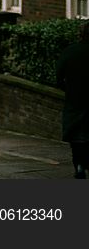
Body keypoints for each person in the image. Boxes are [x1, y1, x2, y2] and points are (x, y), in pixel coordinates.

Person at [56, 21, 89, 179]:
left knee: (77, 135)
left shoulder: (70, 52)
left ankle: (79, 165)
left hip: (75, 100)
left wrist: (68, 90)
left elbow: (58, 78)